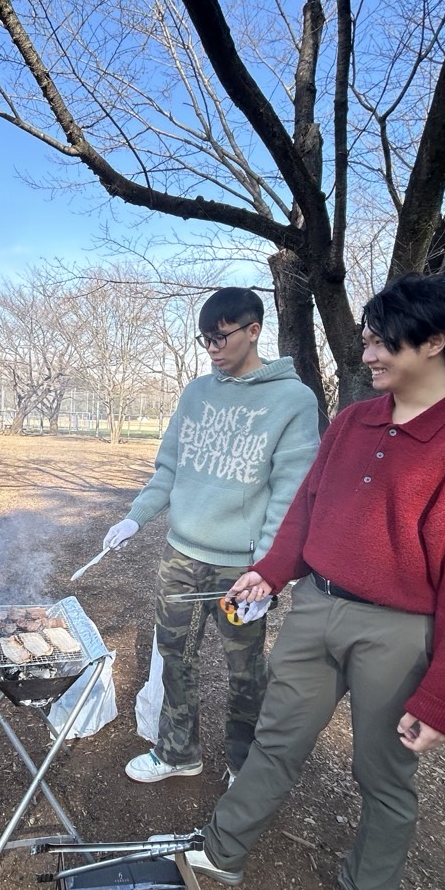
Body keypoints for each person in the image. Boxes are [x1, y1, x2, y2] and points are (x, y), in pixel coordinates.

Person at [182, 274, 445, 890]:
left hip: (398, 634)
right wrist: (272, 572)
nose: (367, 356)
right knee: (276, 740)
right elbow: (307, 509)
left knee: (382, 771)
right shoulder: (352, 421)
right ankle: (222, 850)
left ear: (434, 342)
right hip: (315, 607)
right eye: (366, 341)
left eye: (381, 344)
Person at [101, 287, 320, 784]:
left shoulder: (293, 400)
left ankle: (244, 764)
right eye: (205, 340)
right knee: (174, 656)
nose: (213, 349)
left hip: (241, 567)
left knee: (245, 669)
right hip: (180, 556)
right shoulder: (196, 393)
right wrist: (136, 517)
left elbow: (291, 494)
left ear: (253, 330)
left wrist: (268, 571)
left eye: (221, 337)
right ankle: (178, 751)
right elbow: (168, 468)